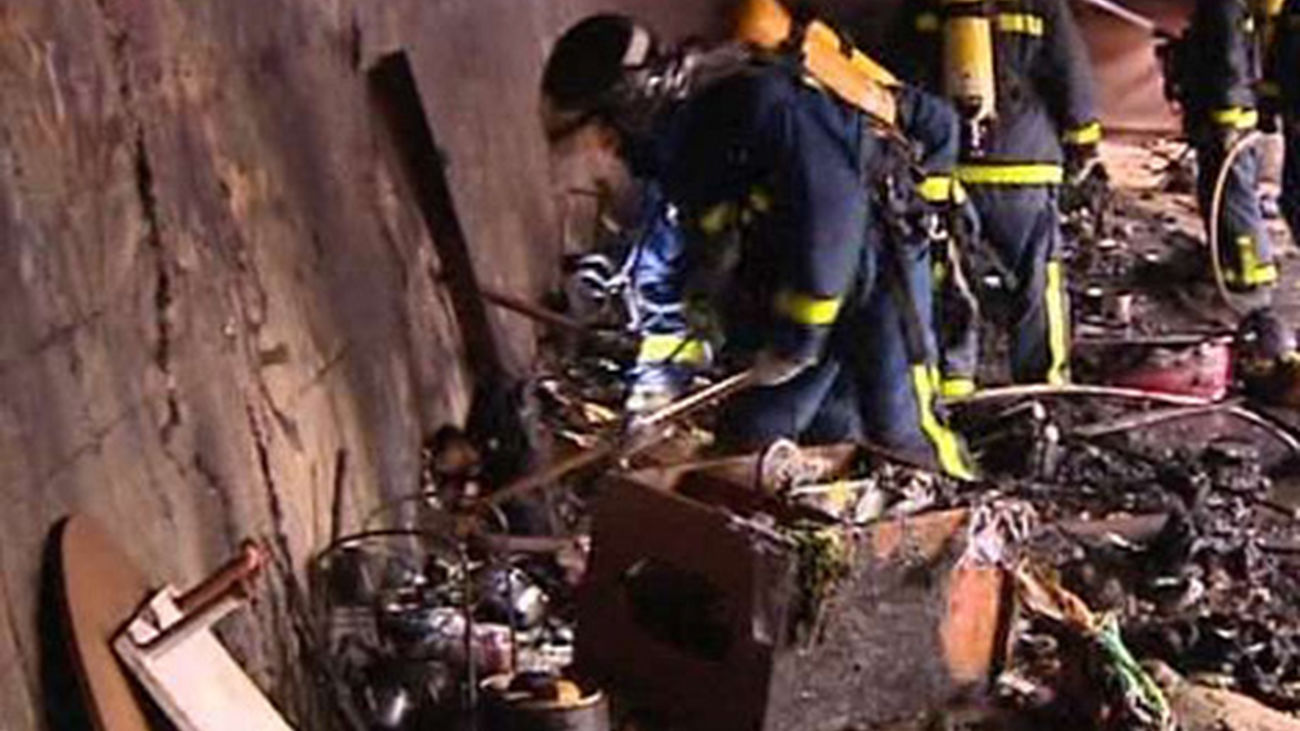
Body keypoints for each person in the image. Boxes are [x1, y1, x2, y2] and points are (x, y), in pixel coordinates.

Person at [540, 13, 975, 478]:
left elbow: (833, 215)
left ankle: (974, 509)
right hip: (801, 294)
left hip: (878, 264)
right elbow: (692, 272)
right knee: (757, 436)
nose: (604, 157)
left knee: (901, 430)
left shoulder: (757, 103)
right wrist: (658, 390)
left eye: (600, 138)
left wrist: (798, 339)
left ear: (630, 106)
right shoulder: (679, 154)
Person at [890, 0, 1101, 386]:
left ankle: (954, 380)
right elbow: (1071, 76)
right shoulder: (1042, 6)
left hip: (953, 168)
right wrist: (1083, 142)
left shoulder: (927, 9)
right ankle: (1043, 381)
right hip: (1026, 166)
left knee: (952, 276)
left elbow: (901, 80)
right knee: (1037, 277)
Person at [1168, 0, 1279, 294]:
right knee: (1216, 191)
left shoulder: (1223, 6)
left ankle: (1249, 271)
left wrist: (1226, 120)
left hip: (1226, 119)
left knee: (1232, 196)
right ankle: (1227, 263)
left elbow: (1229, 62)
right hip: (1219, 117)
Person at [1268, 0, 1300, 248]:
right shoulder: (1292, 7)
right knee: (1291, 197)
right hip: (1294, 116)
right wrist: (1268, 105)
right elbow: (1279, 54)